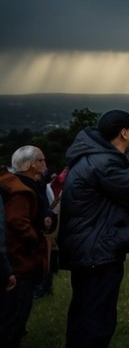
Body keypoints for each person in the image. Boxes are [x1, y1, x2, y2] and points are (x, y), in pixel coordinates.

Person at [60, 110, 129, 347]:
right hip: (99, 249)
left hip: (87, 247)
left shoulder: (90, 158)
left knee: (82, 313)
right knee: (97, 318)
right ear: (123, 132)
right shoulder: (106, 163)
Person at [0, 146, 52, 345]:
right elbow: (17, 221)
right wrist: (36, 239)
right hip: (20, 262)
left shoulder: (11, 183)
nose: (45, 166)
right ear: (33, 165)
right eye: (43, 161)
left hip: (9, 261)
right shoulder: (21, 190)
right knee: (14, 319)